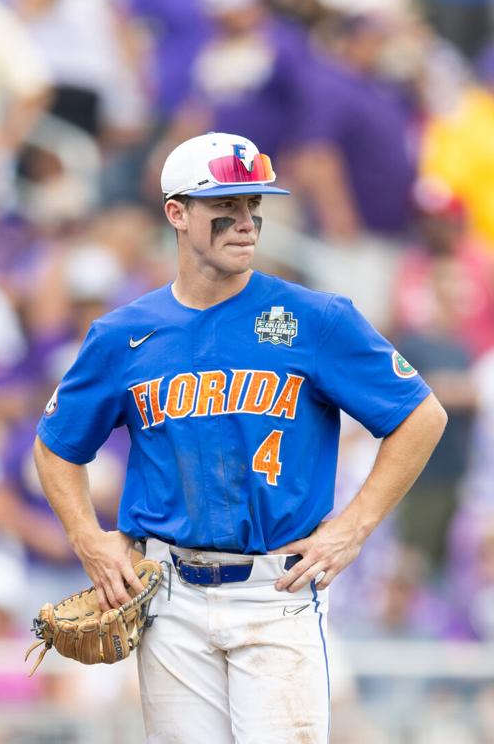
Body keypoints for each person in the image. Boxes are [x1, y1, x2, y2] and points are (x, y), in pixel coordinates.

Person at [34, 131, 448, 741]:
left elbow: (421, 415)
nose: (246, 221)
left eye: (255, 205)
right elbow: (56, 446)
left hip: (277, 592)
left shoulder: (313, 317)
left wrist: (354, 526)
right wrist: (86, 538)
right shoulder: (123, 334)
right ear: (177, 213)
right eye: (225, 207)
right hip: (169, 595)